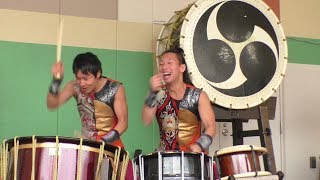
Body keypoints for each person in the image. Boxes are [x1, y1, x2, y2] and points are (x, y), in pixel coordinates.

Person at [142, 47, 216, 153]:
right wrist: (152, 93)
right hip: (165, 158)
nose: (164, 67)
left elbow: (211, 127)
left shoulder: (198, 95)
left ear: (182, 68)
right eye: (161, 64)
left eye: (169, 63)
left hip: (192, 158)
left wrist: (200, 145)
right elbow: (146, 120)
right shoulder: (158, 94)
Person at [47, 52, 128, 148]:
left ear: (98, 73)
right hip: (87, 147)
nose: (81, 83)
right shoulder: (74, 86)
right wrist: (56, 81)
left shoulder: (115, 88)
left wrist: (103, 142)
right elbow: (52, 104)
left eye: (86, 79)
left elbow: (123, 123)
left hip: (110, 147)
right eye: (78, 78)